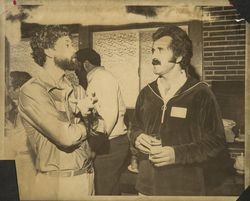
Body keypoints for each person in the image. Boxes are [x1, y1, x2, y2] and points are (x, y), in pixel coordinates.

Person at [130, 25, 233, 195]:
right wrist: (137, 138)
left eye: (161, 50)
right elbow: (134, 127)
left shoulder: (200, 93)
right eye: (153, 50)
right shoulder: (147, 92)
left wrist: (177, 154)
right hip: (147, 187)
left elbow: (216, 142)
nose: (154, 56)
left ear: (179, 56)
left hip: (183, 189)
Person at [18, 26, 98, 200]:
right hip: (57, 184)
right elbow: (65, 137)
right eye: (68, 45)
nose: (75, 49)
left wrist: (89, 118)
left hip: (86, 177)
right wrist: (87, 120)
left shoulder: (76, 88)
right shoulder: (32, 91)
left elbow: (101, 129)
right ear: (49, 50)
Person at [75, 48, 129, 195]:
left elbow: (108, 118)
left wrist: (93, 148)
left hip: (109, 145)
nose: (75, 71)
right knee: (110, 189)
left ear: (85, 64)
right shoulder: (100, 78)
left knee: (103, 191)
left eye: (76, 66)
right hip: (111, 144)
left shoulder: (101, 79)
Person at [4, 71, 35, 200]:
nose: (7, 92)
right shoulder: (23, 105)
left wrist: (7, 130)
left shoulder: (26, 108)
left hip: (27, 161)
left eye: (9, 88)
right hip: (24, 160)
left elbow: (19, 141)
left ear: (17, 89)